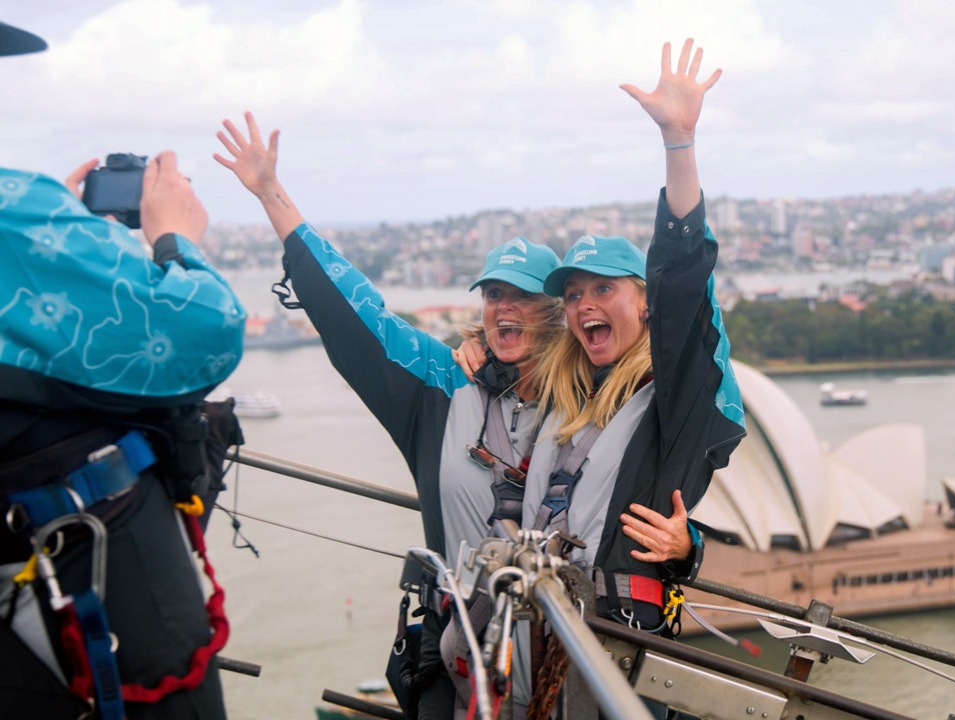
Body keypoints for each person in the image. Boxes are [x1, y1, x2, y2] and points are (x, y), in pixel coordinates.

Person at [213, 111, 565, 719]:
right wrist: (272, 194)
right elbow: (358, 316)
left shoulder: (590, 399)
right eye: (493, 294)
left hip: (561, 649)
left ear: (556, 310)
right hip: (457, 644)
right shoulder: (442, 384)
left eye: (524, 296)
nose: (504, 308)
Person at [0, 20, 245, 720]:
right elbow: (205, 334)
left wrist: (72, 248)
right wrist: (175, 238)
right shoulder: (15, 208)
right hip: (83, 577)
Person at [519, 37, 746, 714]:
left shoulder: (672, 401)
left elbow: (682, 286)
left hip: (617, 648)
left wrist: (679, 143)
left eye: (602, 289)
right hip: (536, 640)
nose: (584, 304)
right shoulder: (561, 395)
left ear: (643, 303)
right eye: (572, 294)